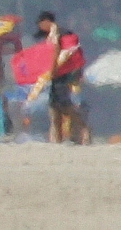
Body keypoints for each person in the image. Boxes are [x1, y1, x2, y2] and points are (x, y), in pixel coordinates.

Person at [36, 11, 90, 144]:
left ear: (46, 21)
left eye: (40, 24)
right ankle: (58, 139)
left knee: (64, 107)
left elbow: (55, 52)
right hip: (60, 76)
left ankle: (84, 130)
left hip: (61, 76)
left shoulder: (57, 33)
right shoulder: (60, 33)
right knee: (55, 108)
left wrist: (52, 70)